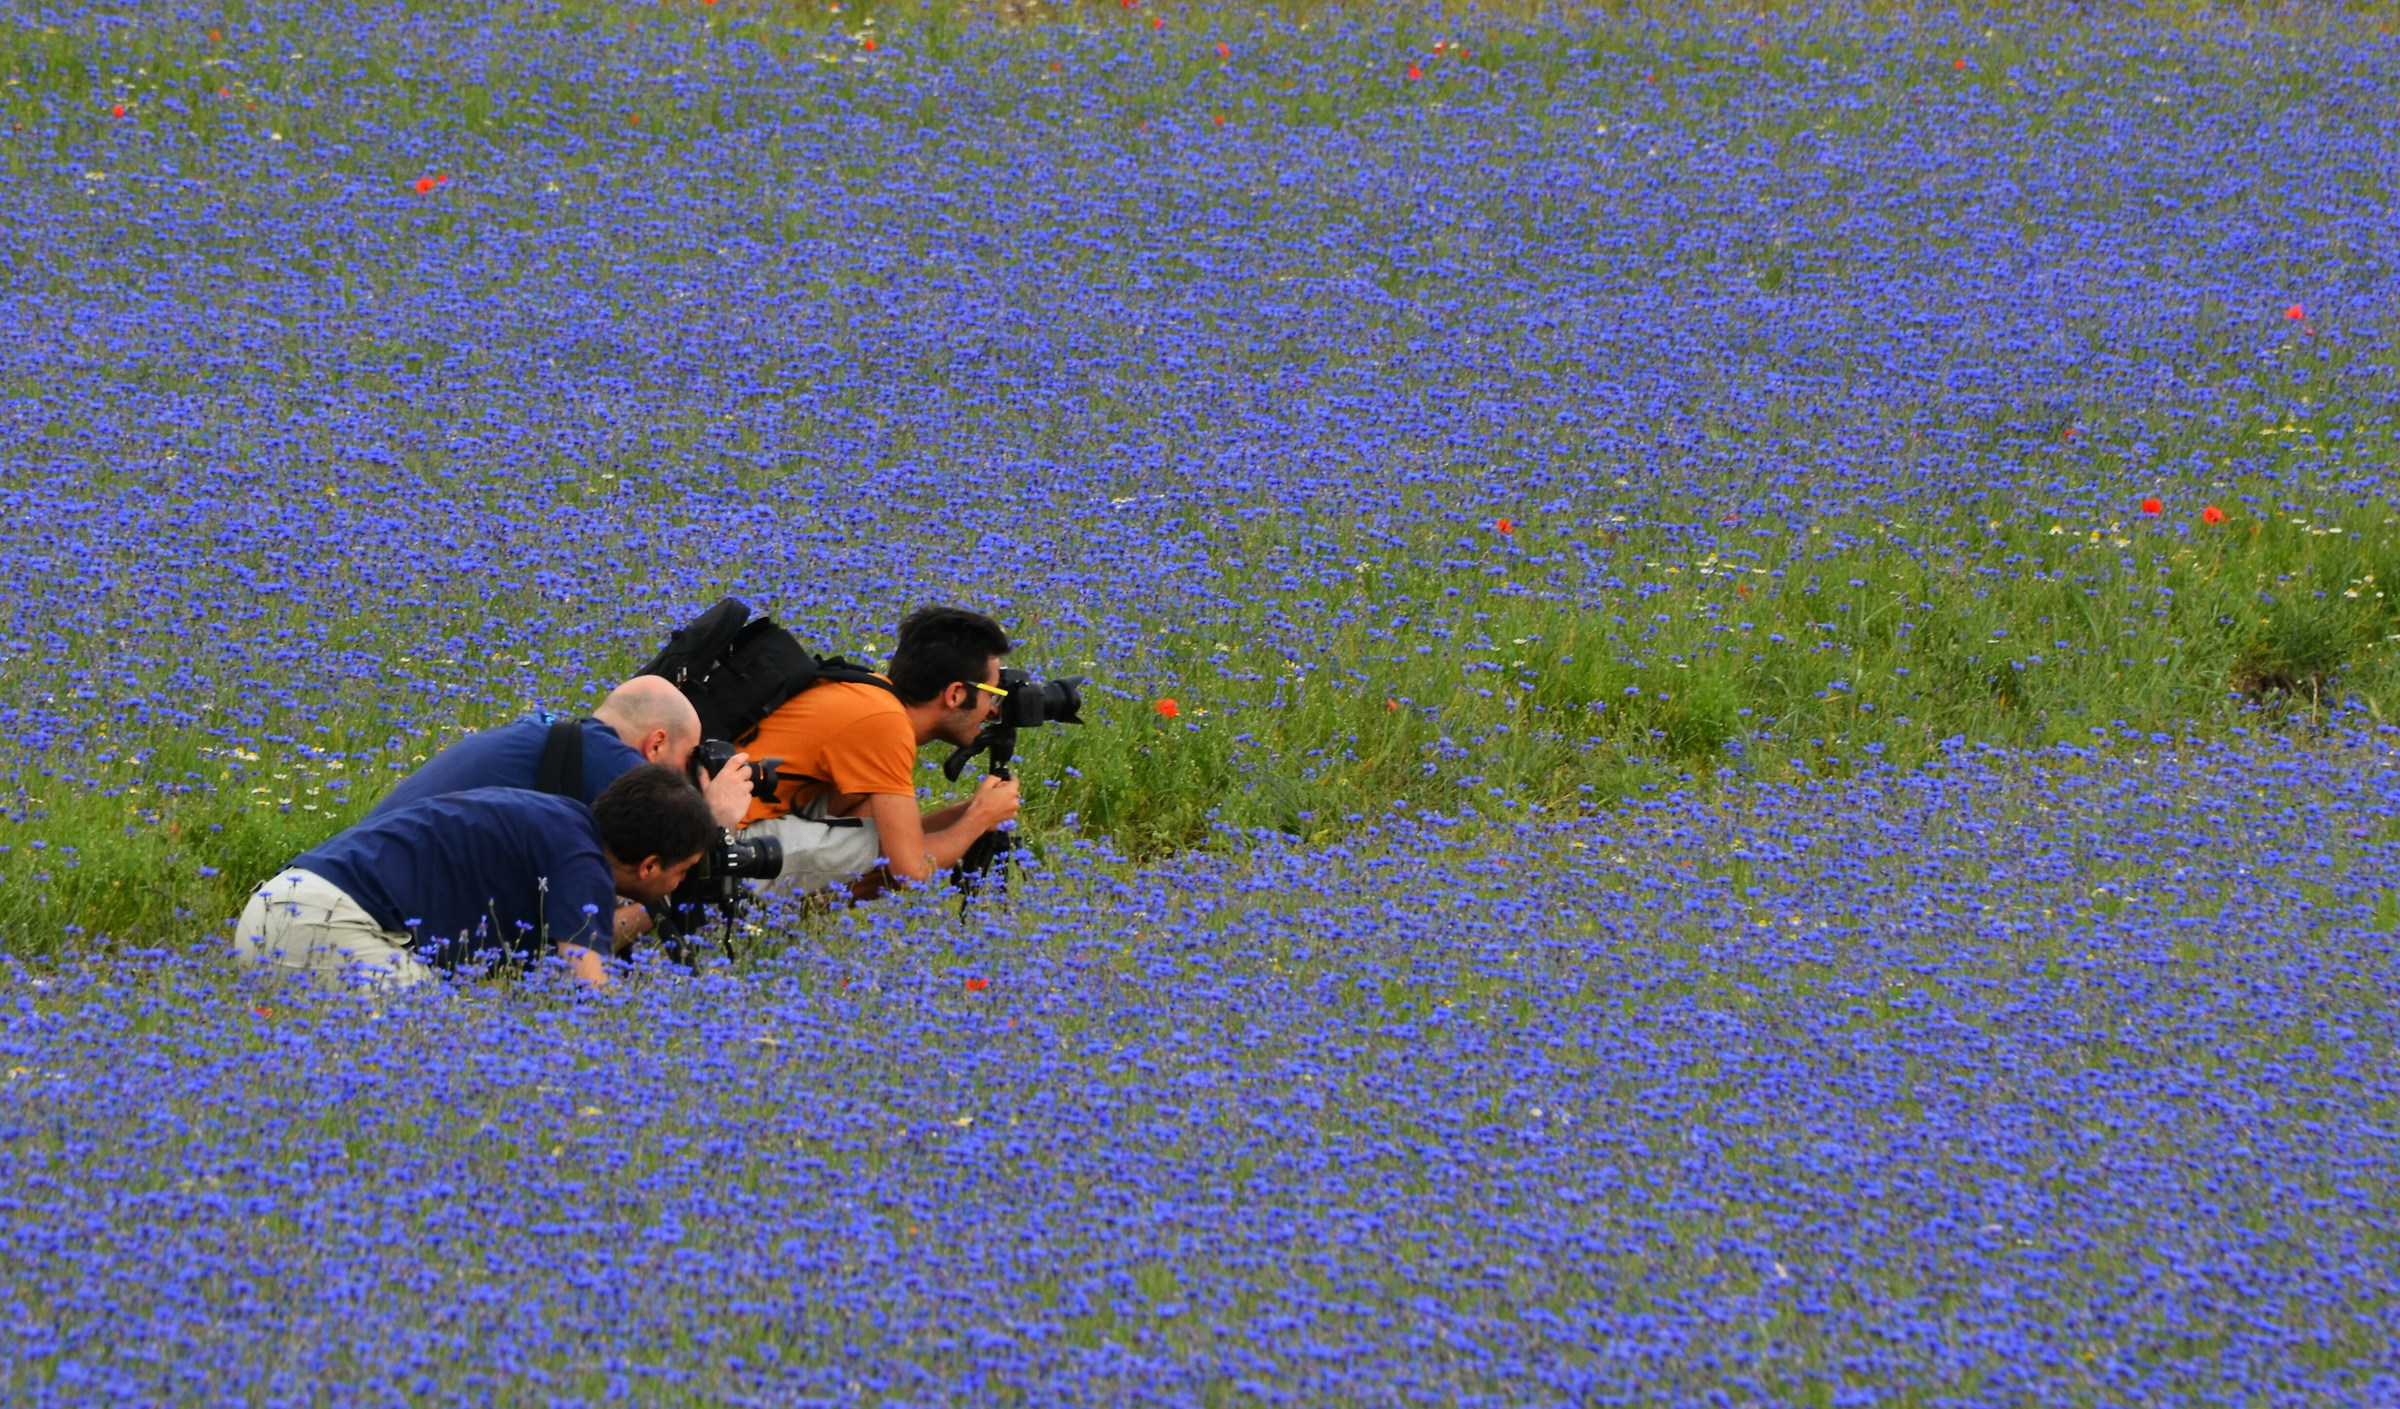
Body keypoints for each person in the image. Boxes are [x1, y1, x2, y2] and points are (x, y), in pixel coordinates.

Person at [235, 764, 716, 991]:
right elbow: (586, 982)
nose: (680, 884)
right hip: (323, 926)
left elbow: (577, 940)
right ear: (650, 865)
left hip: (283, 909)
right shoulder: (580, 858)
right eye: (683, 872)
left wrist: (652, 914)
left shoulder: (561, 825)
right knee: (444, 1051)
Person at [737, 606, 1021, 897]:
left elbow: (903, 836)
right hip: (731, 848)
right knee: (885, 854)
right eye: (993, 694)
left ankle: (784, 923)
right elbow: (911, 870)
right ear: (955, 694)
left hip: (729, 824)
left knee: (872, 815)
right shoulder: (886, 724)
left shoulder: (870, 693)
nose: (994, 710)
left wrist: (973, 811)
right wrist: (979, 820)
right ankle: (768, 923)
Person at [370, 675, 753, 829]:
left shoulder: (545, 736)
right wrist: (713, 816)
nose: (687, 775)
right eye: (687, 759)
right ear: (655, 744)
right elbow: (666, 860)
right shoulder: (616, 765)